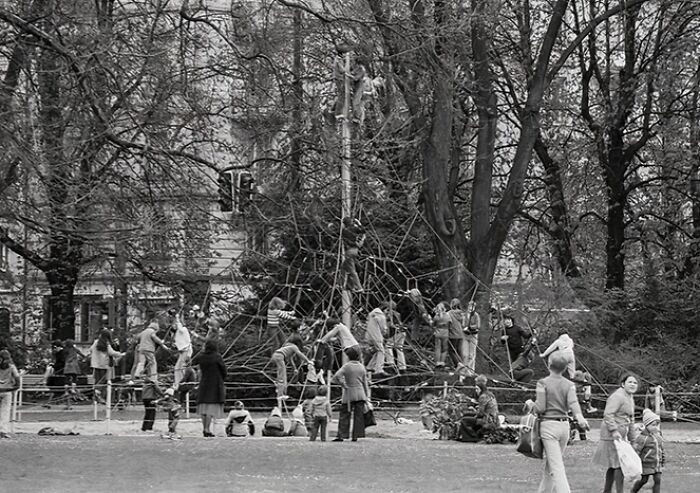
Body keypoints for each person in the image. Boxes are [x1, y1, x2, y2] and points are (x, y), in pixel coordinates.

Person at [529, 353, 589, 493]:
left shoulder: (542, 383)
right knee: (551, 466)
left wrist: (530, 404)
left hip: (549, 426)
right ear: (564, 368)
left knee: (556, 467)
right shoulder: (569, 385)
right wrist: (580, 419)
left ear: (549, 364)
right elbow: (573, 403)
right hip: (564, 427)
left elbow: (540, 408)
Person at [593, 372, 639, 493]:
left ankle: (606, 490)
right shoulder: (618, 396)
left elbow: (631, 420)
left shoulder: (630, 397)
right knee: (619, 464)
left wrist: (633, 439)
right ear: (623, 384)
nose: (633, 384)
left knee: (614, 465)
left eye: (635, 383)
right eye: (630, 382)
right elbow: (608, 414)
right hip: (611, 434)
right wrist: (613, 430)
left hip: (621, 434)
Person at [332, 346, 370, 442]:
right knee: (359, 416)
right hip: (360, 393)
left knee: (345, 414)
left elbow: (336, 376)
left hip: (349, 393)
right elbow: (365, 383)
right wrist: (367, 396)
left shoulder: (347, 366)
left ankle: (341, 435)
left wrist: (343, 384)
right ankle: (356, 436)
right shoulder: (362, 367)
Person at [191, 339, 227, 437]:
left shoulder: (201, 356)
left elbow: (192, 362)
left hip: (204, 382)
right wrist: (222, 378)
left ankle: (205, 428)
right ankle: (207, 429)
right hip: (215, 383)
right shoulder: (217, 356)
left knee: (204, 407)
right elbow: (223, 369)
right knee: (210, 408)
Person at [270, 334, 312, 401]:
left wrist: (294, 368)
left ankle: (279, 387)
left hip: (275, 355)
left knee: (280, 373)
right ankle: (281, 394)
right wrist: (308, 361)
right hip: (280, 356)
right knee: (283, 376)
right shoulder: (294, 346)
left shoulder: (287, 345)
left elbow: (290, 359)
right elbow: (300, 354)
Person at [631, 409, 664, 493]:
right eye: (653, 425)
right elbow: (636, 450)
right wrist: (635, 463)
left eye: (657, 425)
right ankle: (633, 491)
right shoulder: (642, 438)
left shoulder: (658, 437)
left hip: (657, 464)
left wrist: (662, 459)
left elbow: (661, 449)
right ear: (646, 425)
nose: (656, 427)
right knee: (644, 480)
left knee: (658, 479)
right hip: (646, 464)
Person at [458, 375, 500, 442]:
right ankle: (463, 436)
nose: (476, 391)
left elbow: (480, 413)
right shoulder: (490, 394)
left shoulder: (483, 397)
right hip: (494, 419)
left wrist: (473, 411)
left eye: (477, 389)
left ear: (481, 389)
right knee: (467, 415)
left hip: (487, 420)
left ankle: (471, 437)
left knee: (464, 420)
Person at [88, 329, 124, 404]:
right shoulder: (106, 343)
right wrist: (120, 354)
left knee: (98, 380)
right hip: (104, 365)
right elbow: (111, 353)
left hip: (95, 364)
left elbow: (90, 349)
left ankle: (97, 395)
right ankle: (98, 394)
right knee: (103, 380)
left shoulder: (96, 342)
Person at [171, 311, 196, 389]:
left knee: (182, 367)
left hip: (186, 350)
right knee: (176, 368)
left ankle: (182, 383)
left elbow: (180, 328)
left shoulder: (183, 329)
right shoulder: (177, 334)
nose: (174, 325)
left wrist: (177, 318)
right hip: (183, 351)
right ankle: (177, 383)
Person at [340, 216, 365, 292]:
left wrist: (354, 244)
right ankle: (350, 286)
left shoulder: (344, 231)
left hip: (349, 251)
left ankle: (359, 287)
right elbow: (363, 231)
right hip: (355, 250)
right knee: (343, 267)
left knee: (352, 270)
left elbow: (346, 241)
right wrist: (359, 223)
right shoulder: (354, 228)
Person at [383, 301, 407, 377]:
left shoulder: (389, 314)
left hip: (397, 332)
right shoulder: (397, 313)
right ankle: (402, 367)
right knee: (399, 349)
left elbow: (389, 324)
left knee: (388, 346)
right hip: (402, 331)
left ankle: (391, 363)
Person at [0, 349, 20, 439]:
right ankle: (3, 431)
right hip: (7, 391)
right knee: (5, 411)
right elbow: (17, 379)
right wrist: (15, 387)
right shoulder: (11, 367)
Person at [60, 339, 85, 407]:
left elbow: (63, 357)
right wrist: (84, 358)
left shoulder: (65, 350)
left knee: (67, 378)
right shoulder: (75, 349)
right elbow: (82, 355)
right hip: (74, 365)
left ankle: (66, 391)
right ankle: (73, 389)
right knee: (74, 377)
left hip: (67, 365)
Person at [364, 307, 387, 379]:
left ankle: (370, 366)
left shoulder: (371, 315)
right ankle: (379, 369)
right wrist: (384, 333)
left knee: (377, 351)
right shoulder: (381, 316)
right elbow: (383, 328)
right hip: (376, 336)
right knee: (381, 351)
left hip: (369, 336)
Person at [461, 301, 481, 375]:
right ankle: (464, 370)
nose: (470, 308)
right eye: (469, 306)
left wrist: (470, 327)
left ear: (474, 308)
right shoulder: (464, 315)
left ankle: (471, 371)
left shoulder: (476, 315)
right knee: (465, 354)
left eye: (472, 307)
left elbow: (478, 325)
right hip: (465, 335)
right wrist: (464, 327)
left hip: (473, 335)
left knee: (471, 355)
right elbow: (462, 324)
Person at [446, 299, 465, 369]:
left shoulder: (449, 313)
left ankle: (457, 364)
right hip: (460, 334)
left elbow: (448, 323)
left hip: (453, 334)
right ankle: (462, 364)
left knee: (451, 351)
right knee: (459, 350)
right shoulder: (461, 313)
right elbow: (463, 324)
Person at [432, 302, 450, 368]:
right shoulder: (447, 316)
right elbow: (450, 324)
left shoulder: (436, 316)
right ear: (444, 309)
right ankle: (442, 362)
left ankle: (437, 362)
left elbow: (433, 324)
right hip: (445, 333)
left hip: (438, 333)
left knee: (437, 348)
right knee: (444, 348)